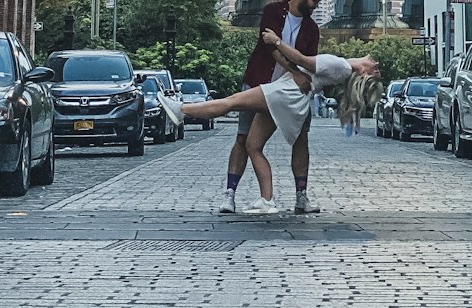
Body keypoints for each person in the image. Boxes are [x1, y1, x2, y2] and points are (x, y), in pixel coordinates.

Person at [162, 32, 381, 214]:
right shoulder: (342, 67)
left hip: (284, 93)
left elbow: (301, 60)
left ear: (362, 71)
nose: (376, 63)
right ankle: (266, 200)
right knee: (253, 145)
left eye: (375, 69)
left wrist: (276, 41)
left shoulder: (341, 66)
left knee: (230, 102)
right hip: (289, 97)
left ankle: (181, 111)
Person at [218, 0, 323, 215]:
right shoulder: (273, 12)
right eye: (314, 0)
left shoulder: (312, 28)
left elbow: (308, 60)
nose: (316, 5)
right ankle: (229, 195)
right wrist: (295, 72)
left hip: (290, 93)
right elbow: (271, 49)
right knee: (243, 139)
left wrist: (301, 76)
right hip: (259, 83)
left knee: (300, 139)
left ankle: (301, 197)